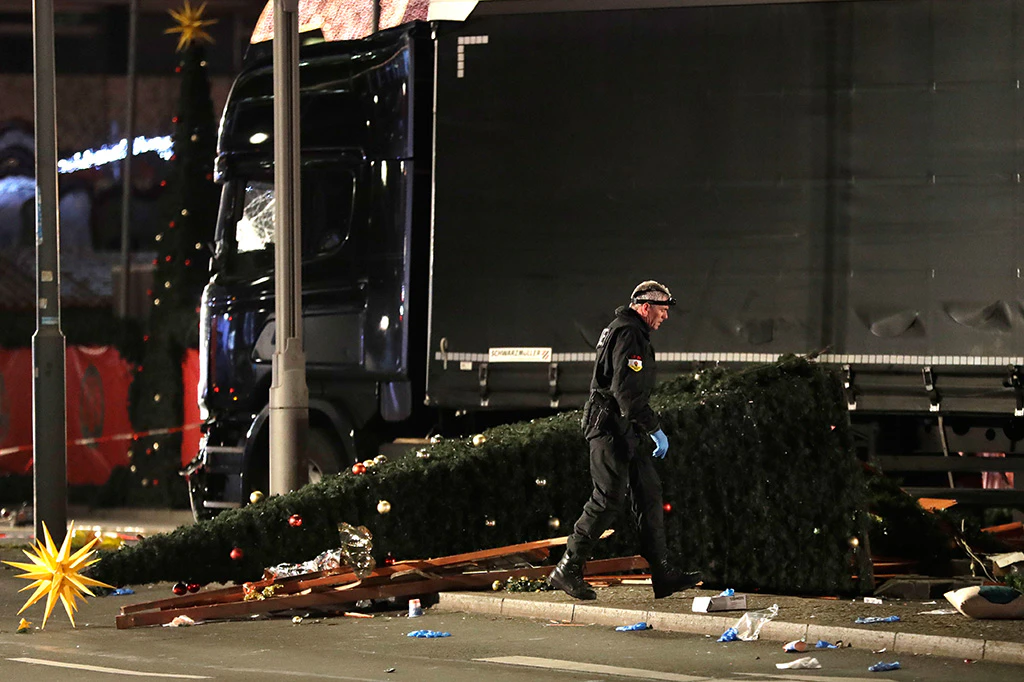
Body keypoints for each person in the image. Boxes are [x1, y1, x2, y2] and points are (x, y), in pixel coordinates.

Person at [547, 280, 702, 600]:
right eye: (662, 310)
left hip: (624, 427)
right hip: (610, 427)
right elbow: (626, 393)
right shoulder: (629, 333)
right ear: (645, 307)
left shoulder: (630, 331)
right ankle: (567, 568)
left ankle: (663, 573)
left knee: (649, 494)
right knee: (606, 499)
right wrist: (655, 427)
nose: (665, 316)